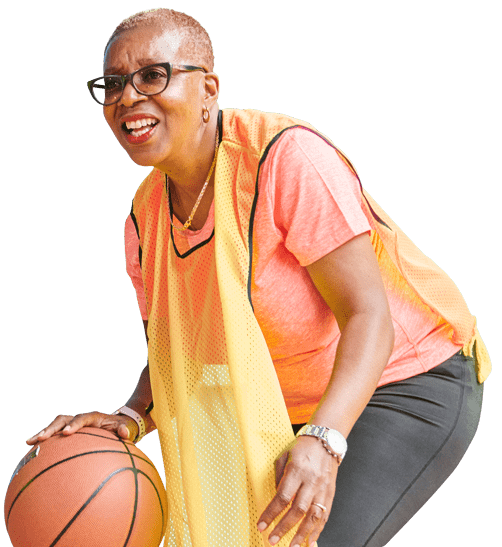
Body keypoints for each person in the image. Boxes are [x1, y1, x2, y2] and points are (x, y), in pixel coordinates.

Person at [26, 8, 491, 547]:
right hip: (280, 410)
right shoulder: (144, 216)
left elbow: (369, 317)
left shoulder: (284, 158)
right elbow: (176, 347)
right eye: (112, 84)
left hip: (403, 384)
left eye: (153, 75)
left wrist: (324, 439)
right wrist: (129, 417)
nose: (128, 97)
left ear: (208, 88)